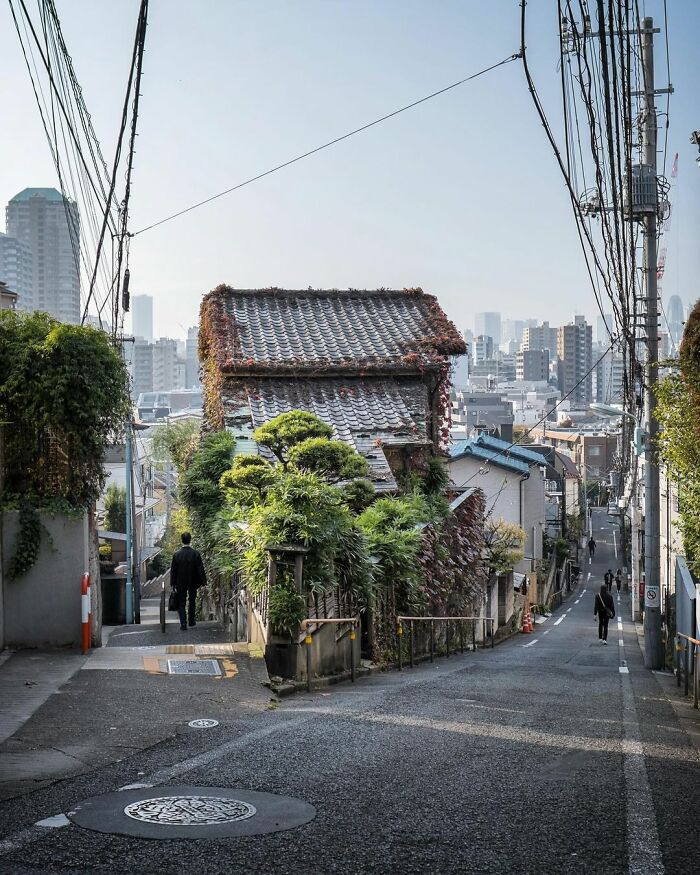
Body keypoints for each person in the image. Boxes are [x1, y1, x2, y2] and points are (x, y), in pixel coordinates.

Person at [170, 532, 207, 631]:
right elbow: (200, 569)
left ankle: (183, 623)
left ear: (181, 540)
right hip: (193, 581)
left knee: (181, 602)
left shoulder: (177, 555)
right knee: (192, 600)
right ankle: (191, 620)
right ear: (190, 540)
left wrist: (173, 583)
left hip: (180, 582)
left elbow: (173, 570)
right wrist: (203, 581)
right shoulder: (195, 554)